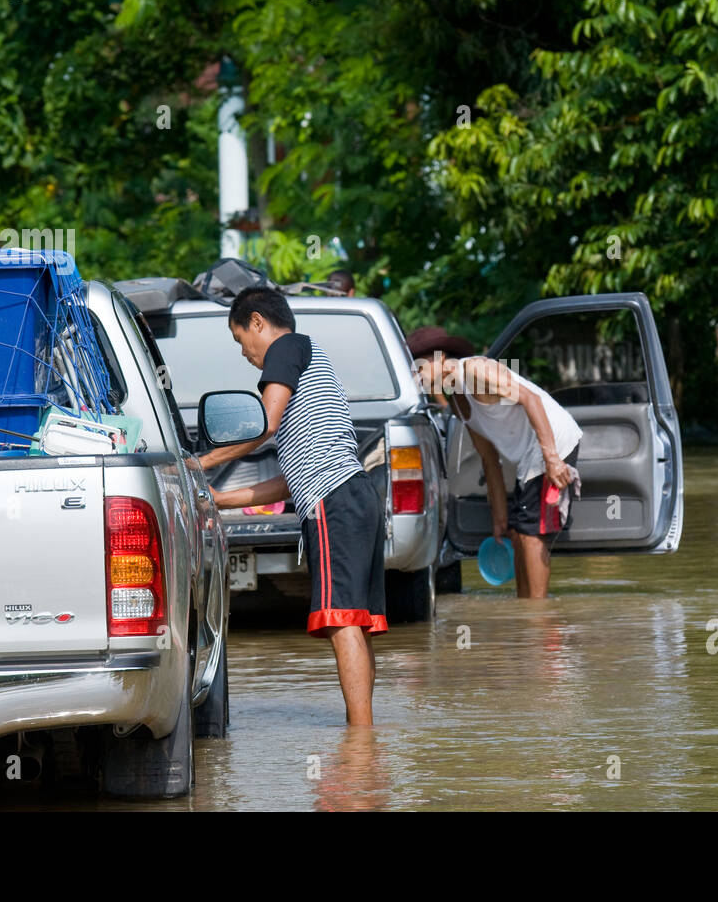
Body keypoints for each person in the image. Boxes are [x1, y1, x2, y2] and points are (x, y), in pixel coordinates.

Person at [200, 287, 385, 725]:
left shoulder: (285, 347)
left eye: (240, 339)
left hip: (332, 501)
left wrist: (199, 463)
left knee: (341, 621)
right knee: (355, 621)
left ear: (258, 322)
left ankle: (359, 745)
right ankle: (365, 738)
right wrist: (219, 498)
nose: (244, 353)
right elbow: (290, 479)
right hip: (355, 495)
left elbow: (264, 425)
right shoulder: (309, 356)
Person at [411, 331, 582, 599]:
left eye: (419, 365)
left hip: (553, 440)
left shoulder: (476, 371)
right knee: (516, 533)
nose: (415, 374)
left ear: (441, 358)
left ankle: (538, 616)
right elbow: (489, 459)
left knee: (530, 534)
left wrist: (552, 459)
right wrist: (499, 517)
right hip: (528, 454)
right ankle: (525, 605)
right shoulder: (457, 401)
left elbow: (531, 399)